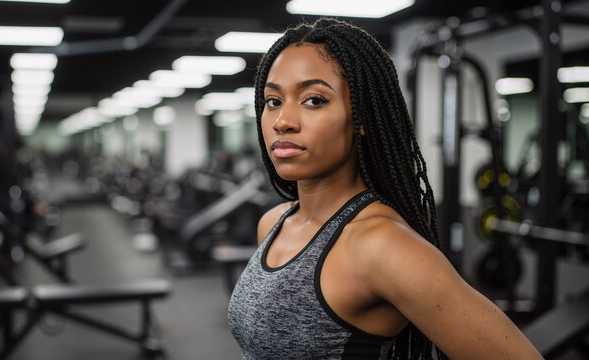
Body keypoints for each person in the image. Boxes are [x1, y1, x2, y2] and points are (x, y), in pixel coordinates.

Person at [227, 18, 543, 360]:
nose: (282, 120)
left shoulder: (381, 245)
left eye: (314, 100)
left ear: (361, 117)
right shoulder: (273, 224)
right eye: (273, 101)